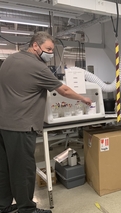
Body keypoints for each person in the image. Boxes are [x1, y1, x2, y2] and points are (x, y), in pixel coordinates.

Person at [0, 32, 92, 213]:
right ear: (35, 46)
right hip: (21, 125)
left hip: (3, 124)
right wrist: (84, 99)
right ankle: (26, 208)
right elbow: (64, 90)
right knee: (23, 170)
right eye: (48, 49)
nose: (50, 53)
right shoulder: (37, 66)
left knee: (4, 167)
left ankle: (3, 206)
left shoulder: (9, 60)